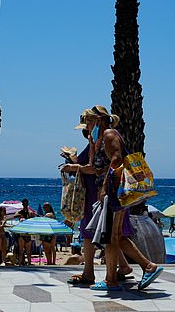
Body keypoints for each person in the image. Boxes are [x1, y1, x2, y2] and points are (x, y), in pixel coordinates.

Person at [86, 105, 164, 291]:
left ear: (100, 120)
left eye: (90, 121)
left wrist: (104, 187)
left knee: (111, 236)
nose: (87, 125)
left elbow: (116, 159)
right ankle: (148, 267)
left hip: (114, 190)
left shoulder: (109, 134)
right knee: (118, 236)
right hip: (115, 190)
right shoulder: (102, 137)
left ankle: (111, 280)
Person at [61, 107, 134, 287]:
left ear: (98, 121)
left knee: (104, 234)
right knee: (112, 235)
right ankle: (124, 268)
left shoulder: (107, 137)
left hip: (101, 192)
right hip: (103, 191)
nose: (86, 129)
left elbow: (101, 166)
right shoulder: (97, 140)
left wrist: (73, 166)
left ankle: (142, 267)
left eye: (88, 124)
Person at [14, 198, 34, 265]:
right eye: (24, 203)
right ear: (22, 204)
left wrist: (30, 215)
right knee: (21, 251)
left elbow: (33, 219)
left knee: (28, 251)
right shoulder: (20, 211)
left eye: (26, 203)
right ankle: (20, 263)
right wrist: (20, 214)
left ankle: (29, 263)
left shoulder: (30, 212)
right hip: (22, 234)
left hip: (28, 234)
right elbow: (15, 216)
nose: (25, 205)